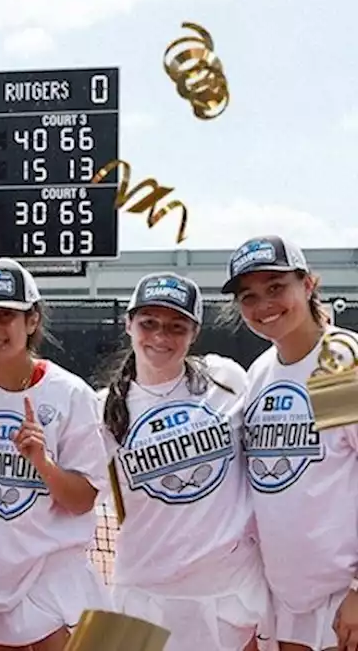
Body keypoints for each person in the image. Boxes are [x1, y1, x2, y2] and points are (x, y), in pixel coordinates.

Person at [97, 272, 271, 651]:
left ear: (194, 333)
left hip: (231, 591)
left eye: (177, 327)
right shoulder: (103, 409)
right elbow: (78, 500)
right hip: (143, 591)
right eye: (148, 324)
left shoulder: (226, 379)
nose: (161, 337)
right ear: (129, 324)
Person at [0, 258, 109, 651]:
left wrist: (43, 463)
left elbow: (82, 501)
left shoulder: (71, 394)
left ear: (32, 320)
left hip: (55, 581)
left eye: (5, 316)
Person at [223, 236, 358, 651]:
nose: (263, 304)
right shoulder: (262, 371)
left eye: (276, 287)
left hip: (338, 597)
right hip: (283, 596)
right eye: (249, 296)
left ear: (310, 284)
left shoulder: (336, 360)